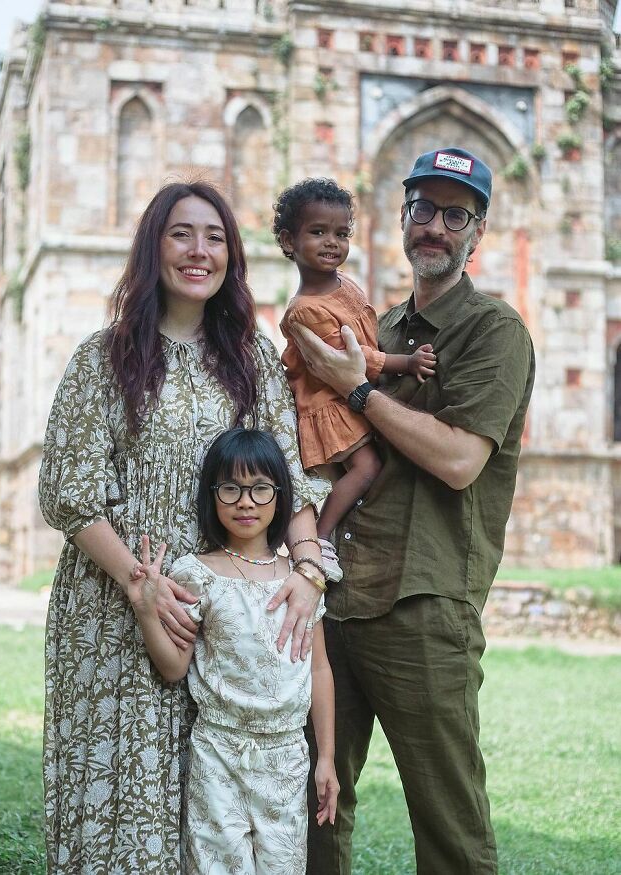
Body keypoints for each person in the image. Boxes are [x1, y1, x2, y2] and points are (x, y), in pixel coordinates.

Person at [38, 181, 329, 873]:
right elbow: (71, 493)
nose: (200, 251)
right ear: (153, 247)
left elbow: (290, 476)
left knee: (216, 810)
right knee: (122, 797)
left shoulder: (252, 359)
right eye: (181, 234)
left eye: (215, 237)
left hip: (226, 616)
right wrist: (142, 585)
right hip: (116, 606)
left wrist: (311, 572)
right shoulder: (102, 358)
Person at [292, 148, 536, 875]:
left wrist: (362, 390)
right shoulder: (380, 328)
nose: (433, 226)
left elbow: (462, 460)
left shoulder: (494, 332)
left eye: (453, 214)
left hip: (424, 604)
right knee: (314, 802)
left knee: (448, 826)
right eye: (421, 209)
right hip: (337, 599)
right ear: (402, 219)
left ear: (477, 231)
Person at [127, 428, 340, 875]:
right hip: (218, 754)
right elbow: (173, 668)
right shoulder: (197, 574)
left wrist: (327, 759)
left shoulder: (303, 580)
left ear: (281, 497)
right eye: (232, 488)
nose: (246, 501)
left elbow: (319, 670)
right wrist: (147, 610)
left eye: (260, 488)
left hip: (286, 757)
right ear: (213, 495)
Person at [275, 178, 436, 581]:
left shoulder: (344, 285)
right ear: (288, 241)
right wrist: (405, 362)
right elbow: (352, 360)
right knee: (365, 467)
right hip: (329, 405)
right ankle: (318, 538)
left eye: (341, 233)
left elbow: (364, 331)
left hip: (348, 397)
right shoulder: (305, 311)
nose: (332, 243)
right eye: (317, 232)